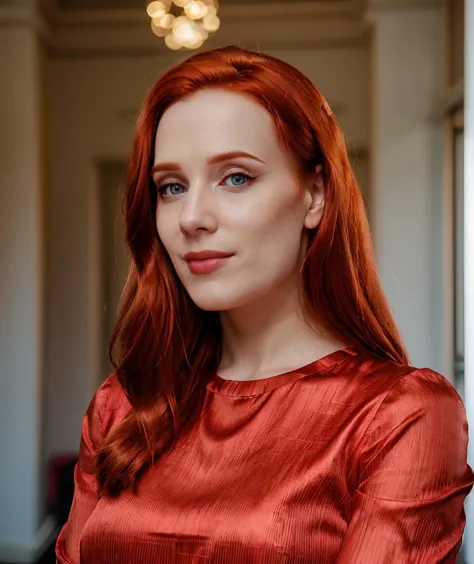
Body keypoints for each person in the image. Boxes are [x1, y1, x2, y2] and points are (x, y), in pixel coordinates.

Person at [56, 45, 473, 563]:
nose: (192, 217)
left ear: (315, 194)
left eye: (236, 177)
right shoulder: (122, 405)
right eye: (170, 186)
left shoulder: (398, 416)